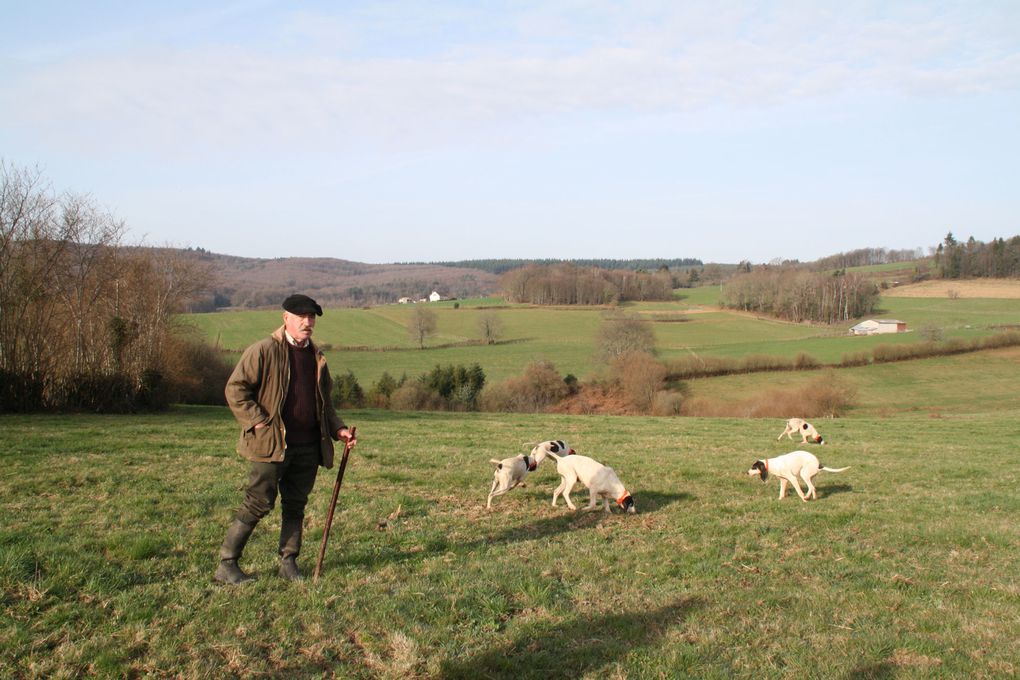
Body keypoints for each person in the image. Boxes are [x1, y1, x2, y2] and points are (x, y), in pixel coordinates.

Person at [215, 293, 356, 584]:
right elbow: (235, 389)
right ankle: (227, 564)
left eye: (312, 317)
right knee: (258, 503)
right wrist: (258, 423)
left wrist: (338, 429)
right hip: (271, 445)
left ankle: (288, 561)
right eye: (301, 317)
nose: (308, 322)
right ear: (286, 319)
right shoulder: (263, 351)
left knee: (295, 504)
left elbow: (324, 404)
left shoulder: (317, 358)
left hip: (307, 446)